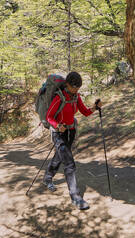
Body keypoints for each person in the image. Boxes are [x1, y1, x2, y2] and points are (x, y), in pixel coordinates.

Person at [43, 71, 102, 210]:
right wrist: (57, 125)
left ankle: (47, 177)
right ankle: (75, 197)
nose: (76, 90)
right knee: (69, 163)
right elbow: (49, 117)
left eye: (78, 88)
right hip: (58, 133)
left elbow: (85, 112)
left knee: (59, 156)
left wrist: (95, 107)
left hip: (71, 132)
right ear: (67, 84)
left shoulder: (76, 97)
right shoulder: (58, 98)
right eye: (74, 87)